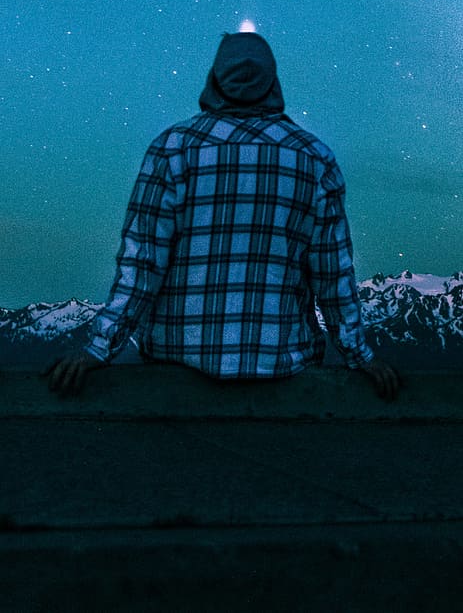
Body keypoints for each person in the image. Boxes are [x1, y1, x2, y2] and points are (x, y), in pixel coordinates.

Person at [45, 30, 400, 402]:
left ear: (213, 80)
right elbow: (332, 273)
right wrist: (359, 355)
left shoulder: (172, 150)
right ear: (273, 82)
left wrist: (100, 348)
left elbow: (142, 262)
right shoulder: (314, 158)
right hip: (283, 370)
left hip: (176, 371)